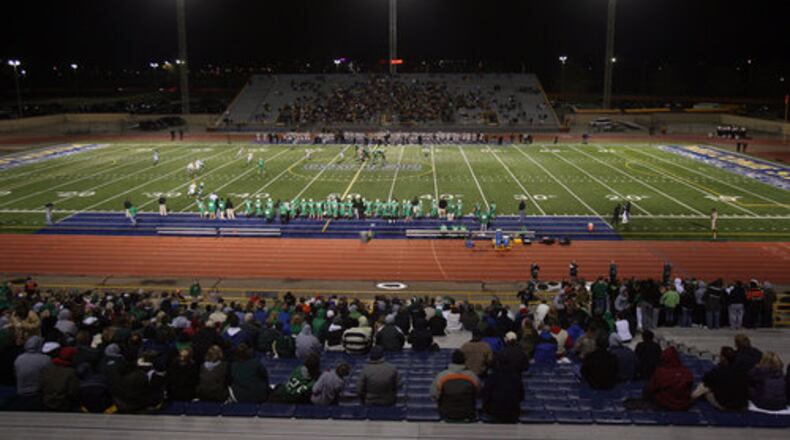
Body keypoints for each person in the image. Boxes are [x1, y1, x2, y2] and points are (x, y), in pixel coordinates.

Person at [692, 346, 748, 411]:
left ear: (723, 358)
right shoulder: (742, 370)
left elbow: (705, 381)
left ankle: (692, 396)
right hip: (742, 405)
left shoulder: (717, 371)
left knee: (705, 388)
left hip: (724, 405)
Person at [431, 350, 480, 422]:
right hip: (468, 413)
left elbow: (434, 394)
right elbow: (478, 393)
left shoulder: (441, 375)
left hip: (446, 413)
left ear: (452, 360)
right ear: (464, 360)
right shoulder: (473, 376)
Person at [481, 356, 524, 423]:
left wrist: (486, 409)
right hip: (513, 411)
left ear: (498, 363)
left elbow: (486, 395)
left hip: (495, 412)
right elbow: (521, 396)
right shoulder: (516, 377)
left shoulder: (492, 377)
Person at [12, 336, 50, 410]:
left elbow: (15, 374)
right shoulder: (45, 359)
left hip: (21, 393)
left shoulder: (19, 358)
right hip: (38, 394)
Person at [39, 347, 80, 412]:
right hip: (64, 405)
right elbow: (72, 392)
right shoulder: (71, 373)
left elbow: (41, 386)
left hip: (47, 403)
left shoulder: (48, 369)